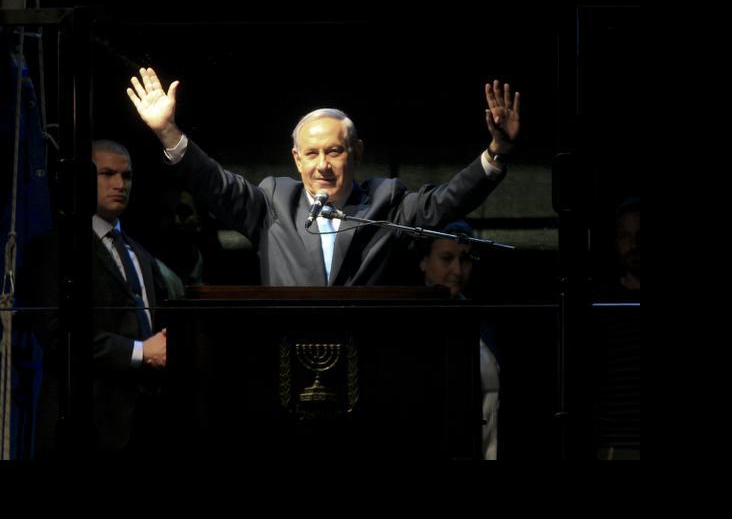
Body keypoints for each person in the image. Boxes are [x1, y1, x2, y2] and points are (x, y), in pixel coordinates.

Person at [126, 67, 521, 286]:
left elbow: (446, 202)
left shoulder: (387, 202)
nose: (322, 166)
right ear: (296, 160)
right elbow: (213, 183)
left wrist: (496, 152)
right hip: (286, 359)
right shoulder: (272, 203)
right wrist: (168, 133)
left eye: (334, 151)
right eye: (311, 154)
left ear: (357, 153)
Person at [26, 140, 171, 456]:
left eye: (127, 176)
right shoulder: (56, 248)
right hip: (84, 421)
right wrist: (139, 352)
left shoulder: (140, 255)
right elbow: (56, 334)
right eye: (107, 174)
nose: (120, 184)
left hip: (144, 421)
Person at [418, 221, 501, 459]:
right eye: (446, 258)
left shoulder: (485, 321)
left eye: (465, 260)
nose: (457, 270)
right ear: (424, 261)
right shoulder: (407, 324)